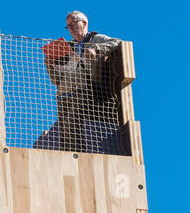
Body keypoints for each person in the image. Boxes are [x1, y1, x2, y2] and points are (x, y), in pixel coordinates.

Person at [34, 12, 124, 153]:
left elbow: (117, 42)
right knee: (64, 130)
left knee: (71, 122)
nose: (70, 28)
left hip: (84, 90)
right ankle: (69, 157)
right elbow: (56, 80)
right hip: (63, 95)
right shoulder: (67, 47)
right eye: (68, 26)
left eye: (73, 23)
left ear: (84, 23)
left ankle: (77, 155)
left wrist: (96, 49)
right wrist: (49, 65)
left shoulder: (96, 39)